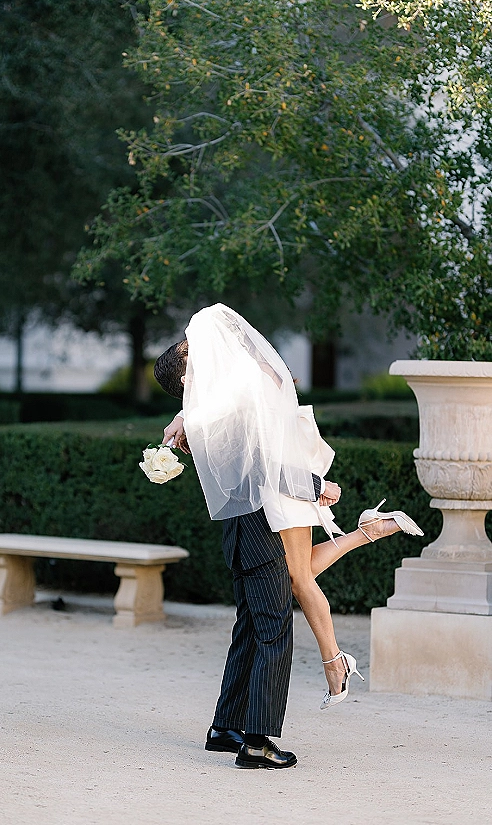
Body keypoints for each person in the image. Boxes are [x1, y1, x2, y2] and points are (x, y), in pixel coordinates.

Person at [153, 304, 423, 770]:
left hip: (241, 533)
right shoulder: (222, 412)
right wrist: (320, 486)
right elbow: (268, 472)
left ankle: (224, 727)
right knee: (274, 631)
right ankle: (257, 742)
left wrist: (183, 414)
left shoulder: (210, 414)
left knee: (249, 630)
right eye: (194, 352)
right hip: (260, 529)